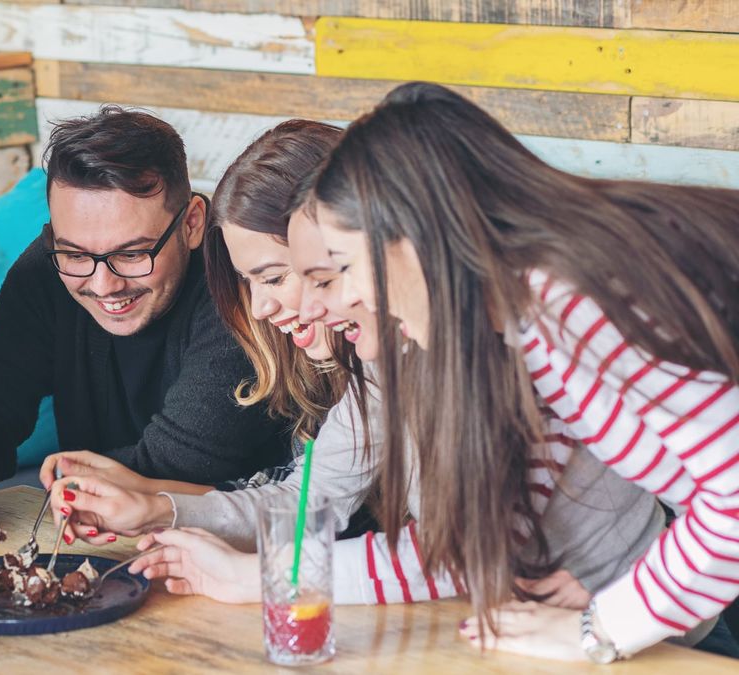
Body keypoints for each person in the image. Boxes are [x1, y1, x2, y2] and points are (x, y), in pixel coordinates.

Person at [43, 121, 665, 619]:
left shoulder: (499, 346)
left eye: (288, 276)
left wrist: (254, 578)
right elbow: (312, 500)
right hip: (526, 618)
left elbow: (463, 552)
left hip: (633, 628)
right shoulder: (381, 359)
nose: (265, 308)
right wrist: (161, 511)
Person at [303, 81, 739, 660]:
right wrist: (639, 593)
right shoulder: (532, 316)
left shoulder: (576, 297)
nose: (359, 296)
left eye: (346, 267)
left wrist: (602, 628)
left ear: (412, 238)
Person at [0, 106, 292, 501]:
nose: (104, 285)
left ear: (191, 224)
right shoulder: (45, 269)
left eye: (134, 254)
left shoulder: (237, 281)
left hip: (249, 534)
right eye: (75, 254)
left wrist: (66, 475)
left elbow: (185, 464)